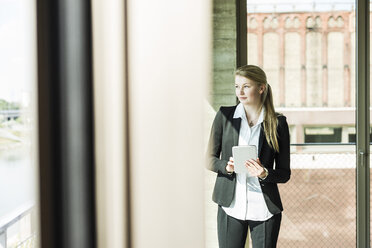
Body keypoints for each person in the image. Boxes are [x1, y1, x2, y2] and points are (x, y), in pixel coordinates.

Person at [206, 65, 291, 248]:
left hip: (264, 209)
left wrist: (264, 173)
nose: (240, 92)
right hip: (231, 206)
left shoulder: (278, 123)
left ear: (261, 88)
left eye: (246, 86)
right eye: (237, 86)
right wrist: (227, 167)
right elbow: (209, 159)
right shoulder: (224, 116)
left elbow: (284, 173)